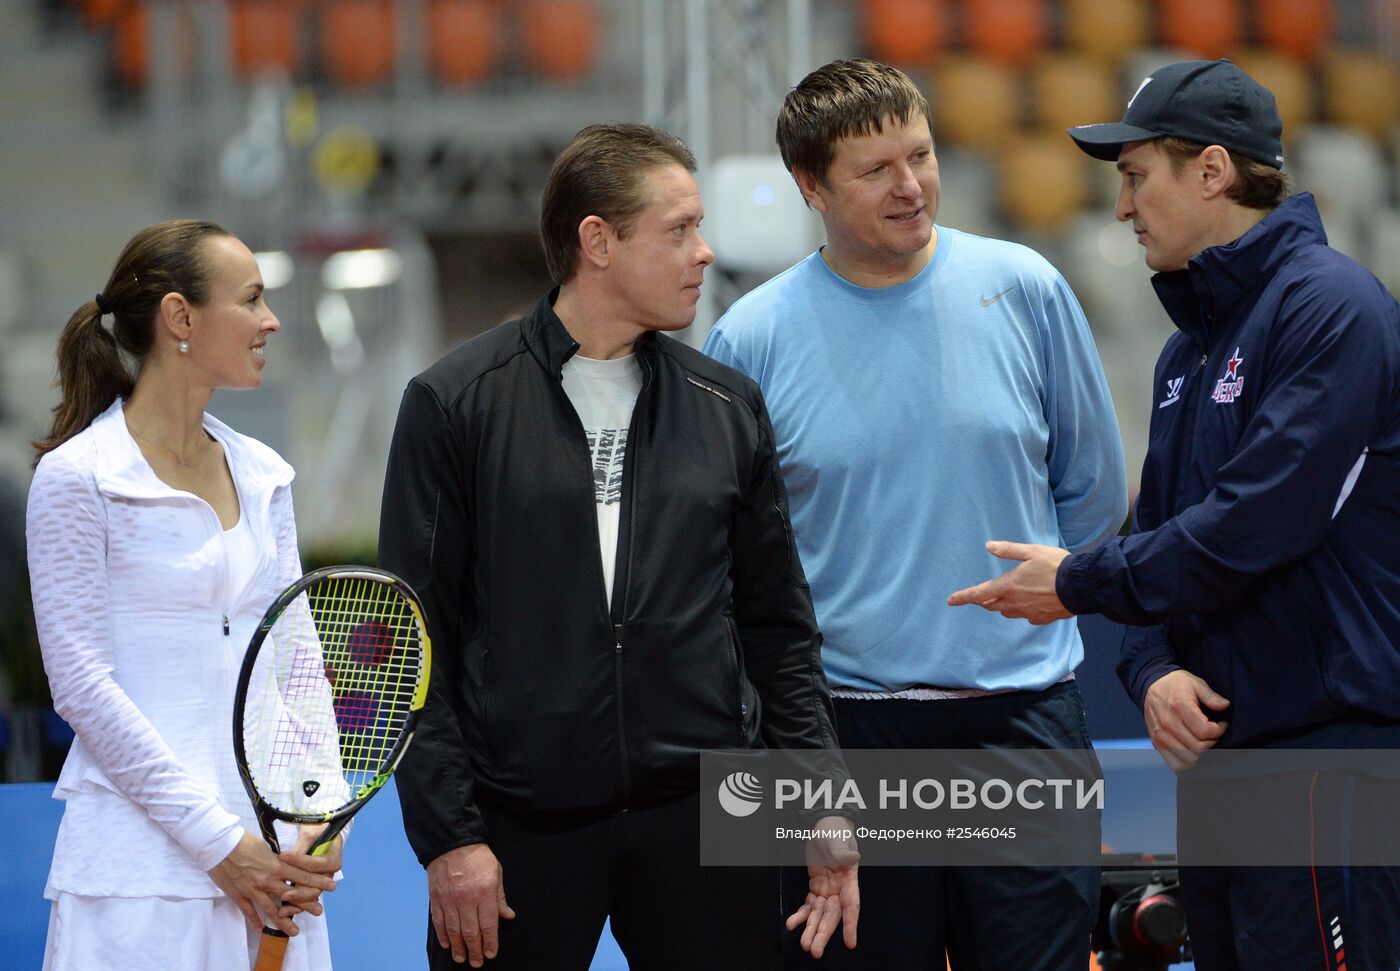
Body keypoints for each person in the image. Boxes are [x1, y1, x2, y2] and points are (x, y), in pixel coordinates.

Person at [948, 58, 1400, 969]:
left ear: (1212, 171)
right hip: (1226, 757)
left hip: (1327, 749)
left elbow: (1252, 525)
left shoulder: (1333, 309)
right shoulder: (1188, 352)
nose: (1120, 207)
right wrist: (1152, 671)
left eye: (1134, 175)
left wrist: (1073, 581)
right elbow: (1158, 539)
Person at [377, 121, 857, 971]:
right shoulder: (454, 404)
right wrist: (449, 839)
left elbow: (779, 629)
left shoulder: (727, 404)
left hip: (714, 817)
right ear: (596, 241)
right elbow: (411, 647)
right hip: (517, 830)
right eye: (678, 230)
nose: (705, 253)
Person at [703, 58, 1127, 970]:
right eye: (876, 170)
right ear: (810, 185)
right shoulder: (751, 337)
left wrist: (1049, 593)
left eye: (922, 156)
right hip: (845, 738)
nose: (911, 186)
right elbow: (730, 564)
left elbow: (1093, 492)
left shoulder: (1027, 288)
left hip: (1025, 725)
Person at [25, 219, 342, 970]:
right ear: (181, 318)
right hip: (138, 887)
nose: (270, 320)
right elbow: (81, 687)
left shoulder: (265, 472)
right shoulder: (76, 478)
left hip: (276, 881)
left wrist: (320, 821)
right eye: (253, 299)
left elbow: (298, 660)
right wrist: (218, 842)